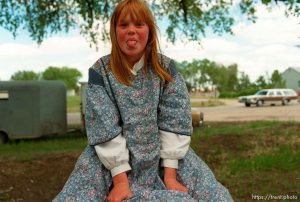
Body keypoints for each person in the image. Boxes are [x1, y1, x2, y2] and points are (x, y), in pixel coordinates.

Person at [54, 0, 233, 201]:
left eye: (139, 24)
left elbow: (174, 120)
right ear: (114, 32)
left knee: (215, 196)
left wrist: (170, 176)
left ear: (149, 31)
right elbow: (104, 127)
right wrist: (121, 181)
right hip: (112, 160)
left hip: (163, 154)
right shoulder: (100, 72)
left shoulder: (165, 69)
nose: (131, 30)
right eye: (124, 25)